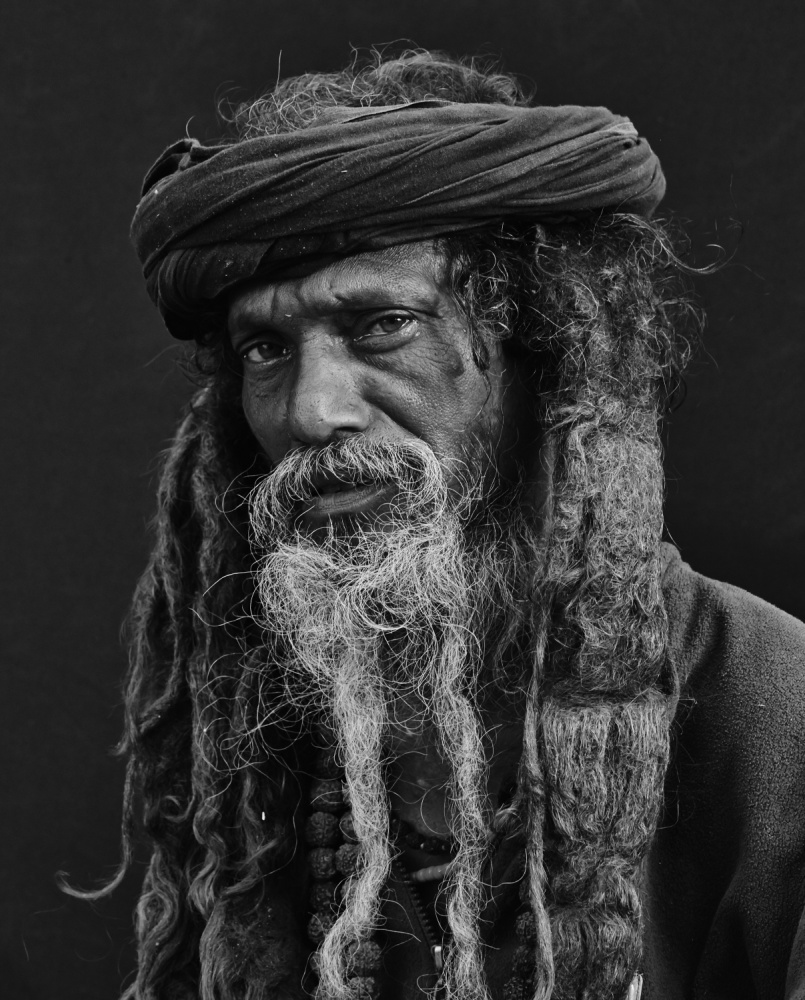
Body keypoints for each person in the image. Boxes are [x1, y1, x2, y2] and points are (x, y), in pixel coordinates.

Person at [113, 50, 805, 1000]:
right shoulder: (263, 728)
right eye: (266, 349)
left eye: (381, 325)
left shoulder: (772, 715)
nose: (312, 412)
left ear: (541, 344)